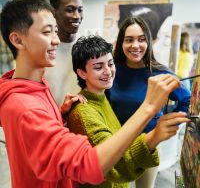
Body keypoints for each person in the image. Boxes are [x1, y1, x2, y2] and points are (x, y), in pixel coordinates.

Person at [0, 0, 185, 188]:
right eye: (47, 32)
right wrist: (148, 108)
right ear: (17, 40)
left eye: (55, 31)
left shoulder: (36, 85)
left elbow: (38, 140)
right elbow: (89, 164)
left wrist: (60, 116)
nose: (56, 40)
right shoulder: (25, 107)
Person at [66, 35, 190, 188]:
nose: (108, 71)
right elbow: (114, 164)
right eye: (98, 67)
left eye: (110, 64)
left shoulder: (102, 96)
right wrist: (154, 135)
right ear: (82, 73)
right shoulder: (83, 112)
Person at [107, 16, 191, 188]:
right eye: (129, 40)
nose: (135, 45)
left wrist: (168, 122)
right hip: (116, 144)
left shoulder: (160, 73)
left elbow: (188, 100)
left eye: (141, 39)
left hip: (148, 146)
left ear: (149, 42)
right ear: (121, 43)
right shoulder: (112, 70)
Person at [45, 0, 83, 105]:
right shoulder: (44, 49)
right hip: (51, 120)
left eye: (80, 10)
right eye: (70, 10)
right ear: (54, 13)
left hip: (83, 118)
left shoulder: (86, 46)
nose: (77, 16)